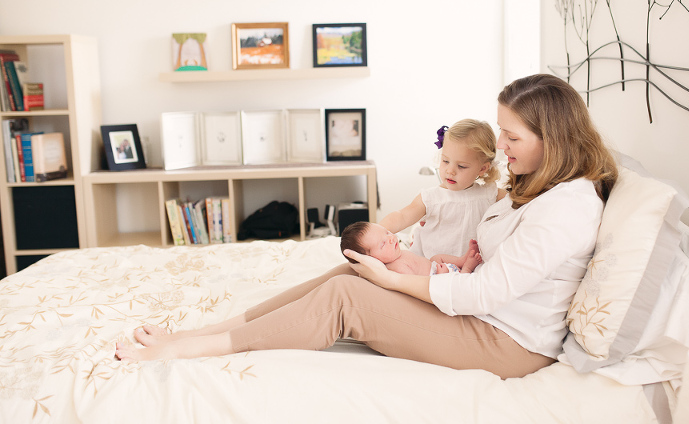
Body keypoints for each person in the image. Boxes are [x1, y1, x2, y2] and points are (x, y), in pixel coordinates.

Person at [115, 74, 618, 381]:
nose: (501, 149)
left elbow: (487, 293)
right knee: (352, 273)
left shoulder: (568, 207)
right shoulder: (538, 186)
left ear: (552, 138)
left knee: (348, 298)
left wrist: (396, 281)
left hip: (507, 343)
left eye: (512, 137)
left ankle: (187, 348)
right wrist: (396, 271)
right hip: (483, 316)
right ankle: (206, 330)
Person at [378, 118, 506, 259]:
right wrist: (376, 231)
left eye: (461, 166)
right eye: (445, 161)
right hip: (429, 265)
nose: (450, 171)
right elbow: (402, 216)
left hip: (469, 269)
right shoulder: (432, 198)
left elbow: (520, 200)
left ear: (482, 168)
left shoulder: (488, 194)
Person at [340, 221, 483, 276]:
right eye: (383, 244)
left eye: (387, 232)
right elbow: (416, 287)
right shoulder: (395, 269)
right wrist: (440, 277)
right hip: (437, 279)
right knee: (459, 285)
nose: (391, 238)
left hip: (437, 266)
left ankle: (461, 260)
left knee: (435, 257)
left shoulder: (396, 255)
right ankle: (467, 269)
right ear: (370, 260)